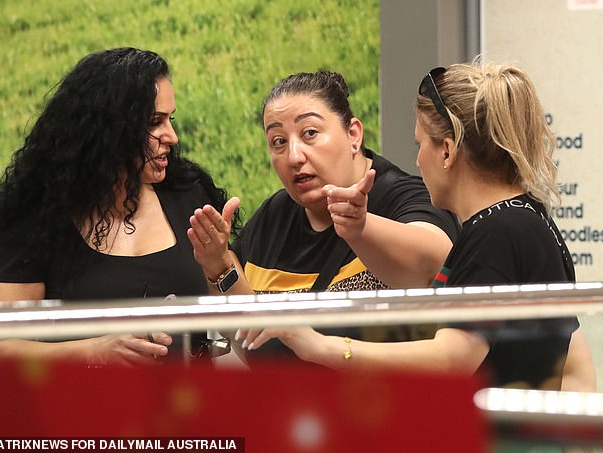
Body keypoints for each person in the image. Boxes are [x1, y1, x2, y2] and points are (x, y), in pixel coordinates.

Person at [234, 61, 596, 391]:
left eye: (419, 144)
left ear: (447, 152)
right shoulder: (526, 216)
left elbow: (453, 358)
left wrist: (319, 345)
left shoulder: (497, 230)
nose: (417, 159)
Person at [0, 47, 244, 366]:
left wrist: (219, 265)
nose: (171, 136)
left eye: (171, 120)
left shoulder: (188, 192)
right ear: (108, 130)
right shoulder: (38, 218)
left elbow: (245, 331)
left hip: (189, 408)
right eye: (155, 123)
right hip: (83, 411)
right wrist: (95, 351)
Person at [187, 70, 461, 362]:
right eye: (278, 141)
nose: (294, 156)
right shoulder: (273, 216)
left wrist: (361, 227)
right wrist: (218, 265)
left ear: (353, 135)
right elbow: (259, 350)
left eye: (310, 134)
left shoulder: (401, 196)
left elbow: (436, 263)